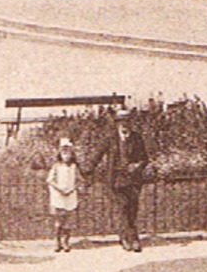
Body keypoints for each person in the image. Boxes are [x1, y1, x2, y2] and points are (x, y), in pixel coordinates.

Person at [83, 107, 149, 251]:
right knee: (123, 205)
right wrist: (87, 170)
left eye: (127, 121)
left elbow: (144, 158)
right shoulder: (110, 139)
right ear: (117, 123)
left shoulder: (137, 138)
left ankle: (127, 235)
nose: (124, 124)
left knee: (132, 208)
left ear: (130, 122)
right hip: (115, 179)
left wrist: (137, 166)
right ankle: (130, 237)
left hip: (133, 179)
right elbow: (97, 155)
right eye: (121, 121)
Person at [46, 138, 80, 253]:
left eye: (68, 153)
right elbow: (50, 180)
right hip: (59, 195)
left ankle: (66, 241)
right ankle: (57, 241)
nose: (66, 156)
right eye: (64, 153)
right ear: (60, 154)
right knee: (59, 220)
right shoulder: (56, 166)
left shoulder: (74, 167)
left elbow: (79, 180)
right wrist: (59, 189)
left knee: (68, 220)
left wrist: (72, 188)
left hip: (70, 194)